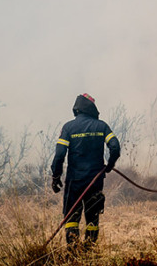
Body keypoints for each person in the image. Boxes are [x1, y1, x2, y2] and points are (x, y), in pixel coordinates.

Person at [51, 93, 120, 248]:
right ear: (92, 109)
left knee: (71, 218)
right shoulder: (102, 126)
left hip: (74, 181)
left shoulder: (68, 128)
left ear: (77, 109)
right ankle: (89, 251)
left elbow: (60, 154)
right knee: (92, 217)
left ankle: (73, 251)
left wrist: (56, 176)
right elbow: (115, 147)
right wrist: (109, 166)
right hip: (95, 180)